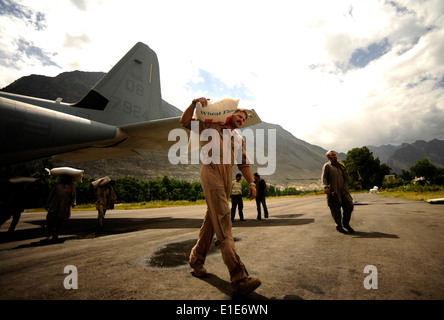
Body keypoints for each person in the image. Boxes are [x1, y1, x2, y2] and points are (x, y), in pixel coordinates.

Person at [180, 97, 261, 296]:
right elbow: (185, 122)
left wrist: (251, 183)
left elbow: (244, 164)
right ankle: (238, 277)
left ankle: (196, 260)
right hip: (211, 172)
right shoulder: (212, 127)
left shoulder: (239, 139)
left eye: (244, 118)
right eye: (238, 115)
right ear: (229, 115)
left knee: (212, 220)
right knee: (224, 219)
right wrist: (193, 104)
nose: (241, 119)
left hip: (226, 178)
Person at [321, 150, 355, 234]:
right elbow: (324, 177)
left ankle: (346, 224)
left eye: (335, 155)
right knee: (336, 210)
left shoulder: (340, 166)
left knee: (349, 206)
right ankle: (338, 226)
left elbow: (345, 177)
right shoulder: (327, 166)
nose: (334, 156)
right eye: (332, 155)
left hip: (343, 191)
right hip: (333, 191)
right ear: (328, 157)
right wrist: (326, 187)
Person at [45, 174, 76, 242]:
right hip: (54, 205)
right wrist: (47, 204)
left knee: (60, 220)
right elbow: (51, 195)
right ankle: (50, 230)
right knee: (50, 218)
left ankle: (55, 234)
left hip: (64, 206)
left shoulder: (71, 186)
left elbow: (73, 196)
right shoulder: (57, 186)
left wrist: (73, 203)